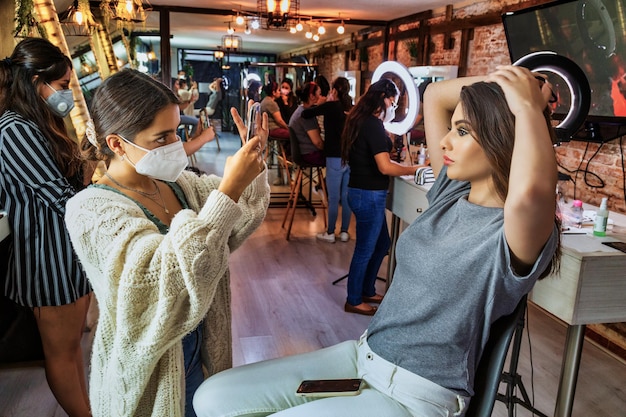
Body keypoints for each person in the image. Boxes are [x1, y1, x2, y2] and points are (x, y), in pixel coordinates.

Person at [192, 66, 561, 417]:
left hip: (416, 393)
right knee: (211, 397)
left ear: (504, 137)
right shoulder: (451, 194)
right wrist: (509, 82)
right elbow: (433, 94)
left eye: (462, 131)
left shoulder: (514, 233)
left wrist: (528, 105)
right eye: (451, 128)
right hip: (362, 356)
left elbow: (532, 192)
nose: (445, 140)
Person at [64, 68, 270, 417]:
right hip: (152, 369)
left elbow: (236, 224)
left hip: (201, 350)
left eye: (176, 132)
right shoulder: (90, 210)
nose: (175, 144)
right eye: (161, 138)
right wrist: (229, 189)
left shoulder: (179, 184)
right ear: (116, 143)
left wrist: (251, 169)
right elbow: (161, 280)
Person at [0, 38, 92, 416]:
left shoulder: (42, 123)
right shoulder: (15, 129)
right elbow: (61, 198)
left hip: (66, 250)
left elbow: (74, 182)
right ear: (37, 81)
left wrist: (89, 153)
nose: (67, 93)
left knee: (72, 349)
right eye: (64, 85)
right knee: (60, 352)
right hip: (44, 255)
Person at [341, 78, 422, 315]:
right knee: (365, 249)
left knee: (382, 244)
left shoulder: (362, 121)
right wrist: (414, 170)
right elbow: (385, 167)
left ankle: (366, 289)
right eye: (393, 103)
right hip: (368, 195)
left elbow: (379, 160)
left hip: (362, 192)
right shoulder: (372, 125)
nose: (394, 109)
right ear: (383, 99)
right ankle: (354, 299)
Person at [302, 77, 353, 243]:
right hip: (349, 157)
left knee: (333, 198)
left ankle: (330, 232)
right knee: (345, 197)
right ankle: (344, 232)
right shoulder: (350, 109)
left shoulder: (331, 106)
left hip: (334, 158)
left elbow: (306, 113)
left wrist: (325, 102)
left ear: (335, 91)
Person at [288, 81, 325, 166]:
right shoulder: (306, 114)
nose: (322, 97)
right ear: (312, 96)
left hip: (302, 153)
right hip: (309, 154)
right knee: (338, 159)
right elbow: (318, 143)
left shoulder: (300, 109)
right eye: (320, 94)